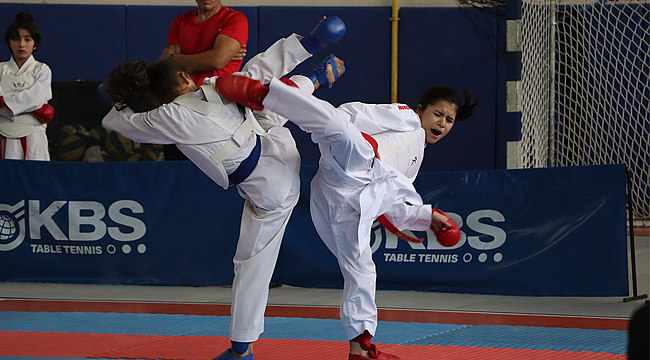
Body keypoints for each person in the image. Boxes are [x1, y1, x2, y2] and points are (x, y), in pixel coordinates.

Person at [102, 17, 346, 360]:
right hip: (277, 144)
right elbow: (262, 69)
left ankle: (241, 349)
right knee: (258, 90)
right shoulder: (215, 85)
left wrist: (118, 100)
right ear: (186, 77)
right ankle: (315, 73)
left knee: (251, 263)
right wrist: (308, 43)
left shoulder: (165, 118)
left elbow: (116, 123)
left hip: (272, 189)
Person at [215, 70, 477, 360]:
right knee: (339, 127)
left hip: (346, 203)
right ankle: (264, 95)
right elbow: (355, 112)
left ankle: (360, 350)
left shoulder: (413, 164)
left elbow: (390, 203)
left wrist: (429, 218)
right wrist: (346, 126)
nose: (441, 123)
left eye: (449, 120)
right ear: (420, 110)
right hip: (355, 160)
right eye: (437, 114)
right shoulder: (406, 117)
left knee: (362, 269)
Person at [159, 0, 249, 161]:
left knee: (216, 171)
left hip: (217, 111)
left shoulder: (234, 19)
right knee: (177, 170)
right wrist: (211, 55)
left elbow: (217, 60)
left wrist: (175, 58)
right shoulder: (180, 22)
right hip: (181, 110)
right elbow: (165, 65)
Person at [0, 11, 54, 160]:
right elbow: (34, 104)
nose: (21, 44)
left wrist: (4, 103)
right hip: (3, 132)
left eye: (27, 39)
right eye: (16, 39)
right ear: (10, 43)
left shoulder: (42, 69)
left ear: (34, 44)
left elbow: (35, 98)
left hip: (33, 133)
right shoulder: (1, 70)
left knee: (36, 179)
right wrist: (33, 110)